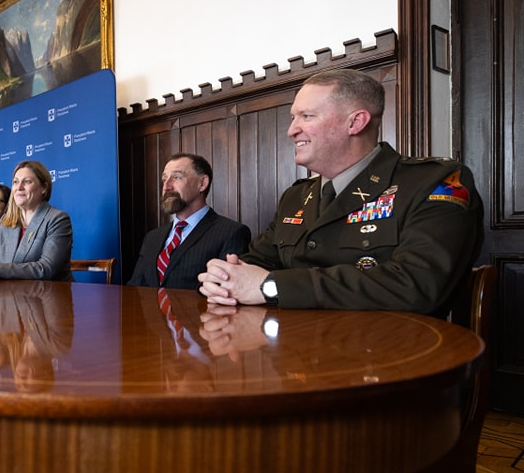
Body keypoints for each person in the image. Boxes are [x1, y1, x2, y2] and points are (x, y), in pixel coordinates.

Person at [199, 68, 483, 318]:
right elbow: (257, 261)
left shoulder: (436, 181)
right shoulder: (296, 197)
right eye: (293, 117)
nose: (291, 130)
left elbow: (418, 283)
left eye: (306, 116)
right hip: (295, 356)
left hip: (392, 361)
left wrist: (271, 287)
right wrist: (225, 277)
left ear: (355, 123)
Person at [127, 153, 251, 289]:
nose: (166, 187)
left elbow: (224, 292)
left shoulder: (231, 232)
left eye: (176, 177)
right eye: (164, 179)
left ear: (202, 183)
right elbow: (135, 290)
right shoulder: (152, 237)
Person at [0, 161, 73, 281]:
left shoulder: (57, 219)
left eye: (27, 181)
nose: (19, 187)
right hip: (10, 296)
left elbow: (46, 269)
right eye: (16, 182)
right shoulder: (5, 224)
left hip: (50, 296)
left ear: (44, 188)